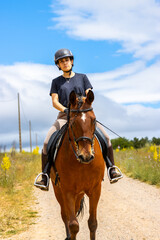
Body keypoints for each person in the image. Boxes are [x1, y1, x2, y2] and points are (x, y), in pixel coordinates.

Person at [35, 48, 122, 190]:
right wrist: (66, 110)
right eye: (61, 61)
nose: (65, 63)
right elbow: (54, 101)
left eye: (67, 60)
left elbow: (89, 94)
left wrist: (86, 102)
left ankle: (112, 169)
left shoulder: (82, 77)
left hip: (84, 115)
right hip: (65, 116)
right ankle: (44, 176)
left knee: (105, 138)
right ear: (58, 65)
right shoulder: (56, 82)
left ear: (72, 61)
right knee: (46, 142)